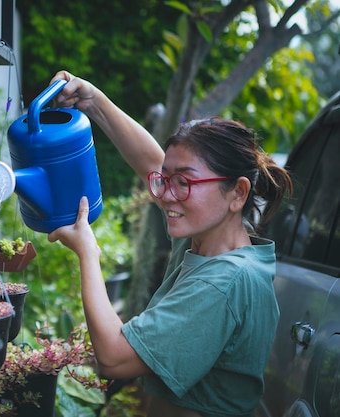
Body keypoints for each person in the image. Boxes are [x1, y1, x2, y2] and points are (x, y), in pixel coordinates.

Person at [47, 70, 293, 417]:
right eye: (166, 180)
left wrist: (88, 252)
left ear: (237, 193)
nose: (167, 195)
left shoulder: (222, 282)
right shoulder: (209, 239)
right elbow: (151, 161)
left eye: (183, 182)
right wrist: (94, 103)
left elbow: (115, 360)